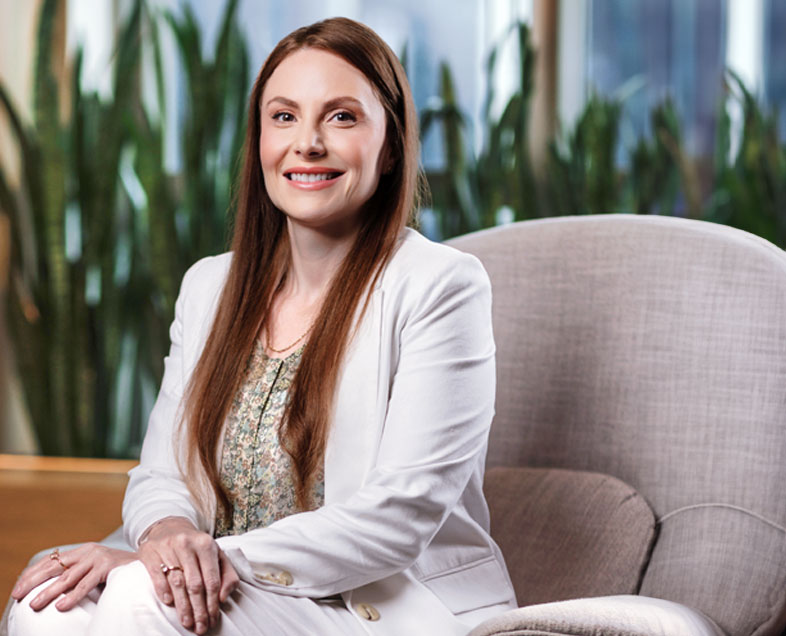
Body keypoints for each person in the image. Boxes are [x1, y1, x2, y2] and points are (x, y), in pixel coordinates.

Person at [9, 16, 516, 636]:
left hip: (377, 602)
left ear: (390, 149)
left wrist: (205, 561)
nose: (307, 143)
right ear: (259, 143)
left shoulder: (441, 286)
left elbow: (399, 516)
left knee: (137, 600)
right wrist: (168, 537)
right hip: (234, 590)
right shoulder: (209, 288)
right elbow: (162, 475)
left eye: (342, 117)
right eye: (283, 117)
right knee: (48, 606)